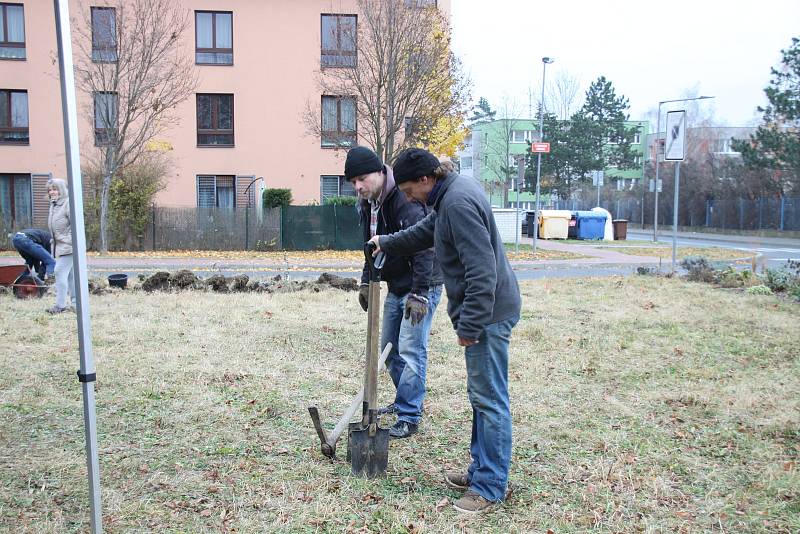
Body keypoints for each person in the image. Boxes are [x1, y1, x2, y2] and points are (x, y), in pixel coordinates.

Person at [368, 148, 521, 514]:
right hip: (488, 311)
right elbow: (426, 232)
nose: (406, 197)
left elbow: (482, 270)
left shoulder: (457, 203)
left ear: (425, 179)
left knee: (489, 399)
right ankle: (482, 470)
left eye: (408, 190)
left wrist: (471, 324)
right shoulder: (450, 193)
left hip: (489, 314)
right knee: (481, 396)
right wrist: (386, 242)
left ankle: (491, 486)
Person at [345, 146, 443, 439]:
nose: (358, 186)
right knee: (389, 350)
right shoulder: (368, 203)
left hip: (422, 284)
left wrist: (419, 293)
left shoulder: (403, 197)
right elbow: (370, 247)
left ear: (379, 172)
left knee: (412, 350)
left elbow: (426, 246)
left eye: (362, 178)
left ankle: (410, 415)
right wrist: (366, 280)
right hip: (396, 285)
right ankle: (406, 401)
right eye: (353, 182)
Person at [46, 178, 75, 314]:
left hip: (69, 246)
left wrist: (70, 241)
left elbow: (75, 226)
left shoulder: (68, 203)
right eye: (50, 189)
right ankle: (76, 304)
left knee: (59, 271)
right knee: (71, 276)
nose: (52, 192)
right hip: (60, 246)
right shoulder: (54, 205)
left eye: (55, 188)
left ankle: (60, 305)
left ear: (61, 190)